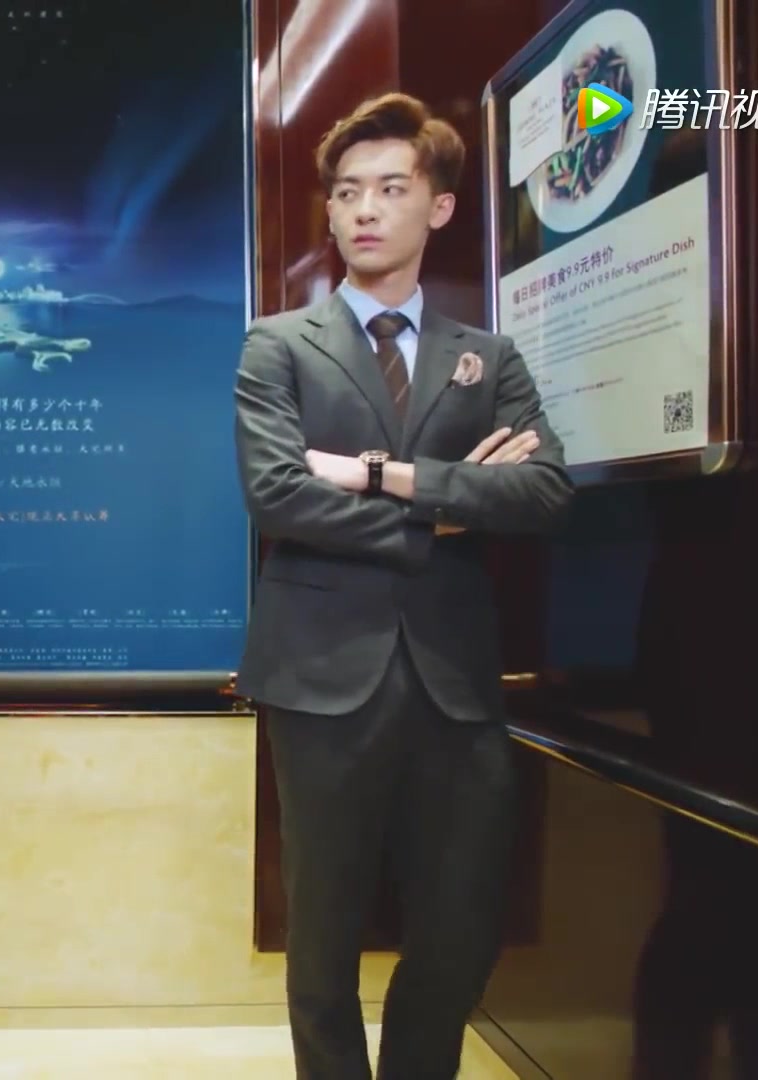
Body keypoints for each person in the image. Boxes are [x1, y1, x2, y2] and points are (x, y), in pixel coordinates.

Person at [232, 93, 572, 1079]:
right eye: (348, 193)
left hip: (456, 681)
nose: (365, 209)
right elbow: (277, 494)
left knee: (461, 929)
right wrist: (450, 511)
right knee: (323, 935)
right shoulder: (278, 345)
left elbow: (544, 492)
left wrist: (382, 476)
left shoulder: (487, 358)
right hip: (320, 677)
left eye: (390, 188)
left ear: (440, 207)